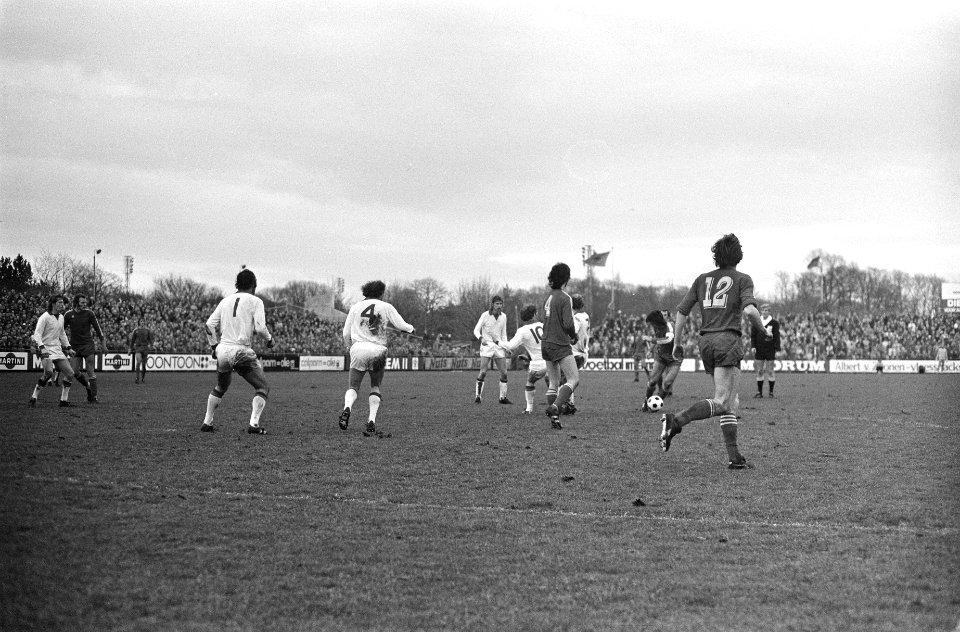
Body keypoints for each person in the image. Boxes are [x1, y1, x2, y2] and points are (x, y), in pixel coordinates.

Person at [658, 233, 770, 469]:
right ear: (738, 255)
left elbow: (681, 312)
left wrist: (677, 342)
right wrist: (762, 330)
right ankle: (675, 421)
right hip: (727, 340)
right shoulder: (742, 279)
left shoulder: (702, 279)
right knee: (722, 400)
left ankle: (735, 457)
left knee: (731, 400)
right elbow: (750, 311)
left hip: (706, 341)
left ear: (716, 256)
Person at [200, 268, 275, 435]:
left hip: (223, 350)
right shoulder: (255, 301)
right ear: (253, 285)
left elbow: (209, 325)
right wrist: (270, 339)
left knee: (220, 387)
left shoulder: (225, 301)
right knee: (262, 387)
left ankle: (207, 422)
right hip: (241, 350)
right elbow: (261, 328)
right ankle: (254, 424)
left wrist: (214, 347)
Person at [338, 280, 415, 434]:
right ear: (380, 293)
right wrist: (411, 329)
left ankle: (347, 408)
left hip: (358, 348)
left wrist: (350, 347)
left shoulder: (355, 307)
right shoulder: (386, 307)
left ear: (365, 292)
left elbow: (346, 333)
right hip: (378, 350)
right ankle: (371, 420)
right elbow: (401, 325)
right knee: (375, 386)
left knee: (353, 386)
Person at [29, 295, 91, 407]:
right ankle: (34, 397)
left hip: (57, 349)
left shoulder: (61, 317)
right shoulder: (45, 317)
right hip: (45, 348)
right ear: (53, 304)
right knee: (48, 373)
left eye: (63, 303)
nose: (62, 305)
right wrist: (42, 348)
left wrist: (68, 347)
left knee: (70, 373)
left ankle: (63, 400)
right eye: (60, 302)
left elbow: (62, 334)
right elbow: (37, 335)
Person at [542, 263, 580, 430]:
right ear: (566, 278)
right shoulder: (565, 298)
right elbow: (568, 323)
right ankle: (556, 407)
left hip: (546, 343)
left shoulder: (549, 297)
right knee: (574, 379)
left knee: (553, 383)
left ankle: (555, 419)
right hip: (559, 343)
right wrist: (573, 336)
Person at [497, 304, 547, 415]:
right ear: (533, 315)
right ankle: (562, 404)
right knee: (555, 383)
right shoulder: (543, 325)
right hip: (550, 362)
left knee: (530, 382)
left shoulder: (522, 330)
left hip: (537, 366)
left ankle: (529, 409)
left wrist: (498, 342)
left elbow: (510, 346)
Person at [63, 294, 104, 403]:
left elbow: (97, 328)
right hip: (75, 346)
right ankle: (87, 386)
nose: (85, 304)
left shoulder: (89, 313)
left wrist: (103, 342)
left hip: (87, 345)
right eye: (82, 302)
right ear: (76, 303)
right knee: (74, 371)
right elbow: (60, 330)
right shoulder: (68, 315)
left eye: (85, 302)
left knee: (90, 370)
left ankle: (94, 397)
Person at [640, 309, 682, 411]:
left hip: (675, 357)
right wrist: (650, 350)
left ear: (656, 321)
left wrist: (650, 339)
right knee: (652, 381)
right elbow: (658, 338)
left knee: (667, 383)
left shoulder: (669, 325)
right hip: (661, 355)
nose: (651, 326)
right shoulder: (656, 326)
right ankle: (646, 402)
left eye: (651, 323)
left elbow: (668, 340)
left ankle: (657, 403)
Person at [473, 295, 511, 404]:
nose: (499, 306)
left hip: (499, 346)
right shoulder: (485, 315)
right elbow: (476, 330)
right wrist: (481, 338)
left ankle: (502, 398)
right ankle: (478, 396)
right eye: (497, 304)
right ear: (492, 305)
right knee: (483, 372)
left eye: (500, 304)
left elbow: (504, 334)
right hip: (487, 345)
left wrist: (506, 346)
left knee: (504, 373)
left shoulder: (504, 316)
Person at [560, 294, 590, 415]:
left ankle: (568, 404)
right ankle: (569, 404)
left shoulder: (576, 318)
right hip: (582, 353)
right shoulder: (586, 316)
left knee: (563, 378)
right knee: (568, 378)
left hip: (575, 353)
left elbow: (573, 331)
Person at [751, 303, 781, 398]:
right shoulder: (756, 322)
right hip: (759, 349)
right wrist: (753, 346)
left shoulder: (774, 323)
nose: (765, 312)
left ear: (769, 312)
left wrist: (777, 348)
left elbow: (777, 336)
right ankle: (759, 393)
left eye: (767, 310)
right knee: (760, 371)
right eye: (763, 310)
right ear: (761, 311)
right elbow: (753, 336)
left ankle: (771, 392)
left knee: (770, 371)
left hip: (770, 349)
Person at [128, 318, 154, 383]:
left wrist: (151, 345)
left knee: (144, 365)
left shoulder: (147, 330)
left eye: (143, 321)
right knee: (138, 361)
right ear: (139, 322)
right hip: (138, 348)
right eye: (141, 321)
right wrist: (130, 349)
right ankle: (137, 378)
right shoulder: (136, 330)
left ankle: (143, 378)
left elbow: (150, 339)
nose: (142, 322)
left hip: (145, 348)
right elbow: (133, 340)